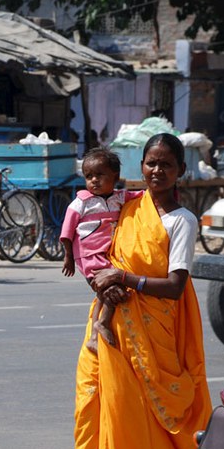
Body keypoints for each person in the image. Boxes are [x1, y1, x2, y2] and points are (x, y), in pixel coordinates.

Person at [40, 133, 212, 449]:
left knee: (127, 424)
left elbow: (174, 285)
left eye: (166, 164)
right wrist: (104, 285)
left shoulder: (180, 221)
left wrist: (125, 279)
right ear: (142, 166)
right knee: (91, 414)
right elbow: (95, 247)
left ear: (180, 171)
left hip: (150, 334)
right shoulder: (128, 205)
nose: (156, 171)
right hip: (106, 323)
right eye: (151, 163)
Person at [59, 148, 141, 354]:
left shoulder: (120, 198)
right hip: (89, 255)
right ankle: (100, 326)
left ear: (115, 176)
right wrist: (68, 257)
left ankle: (97, 331)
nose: (94, 180)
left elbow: (142, 196)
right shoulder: (81, 202)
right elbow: (67, 231)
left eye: (99, 175)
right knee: (109, 290)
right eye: (89, 176)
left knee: (107, 293)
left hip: (109, 255)